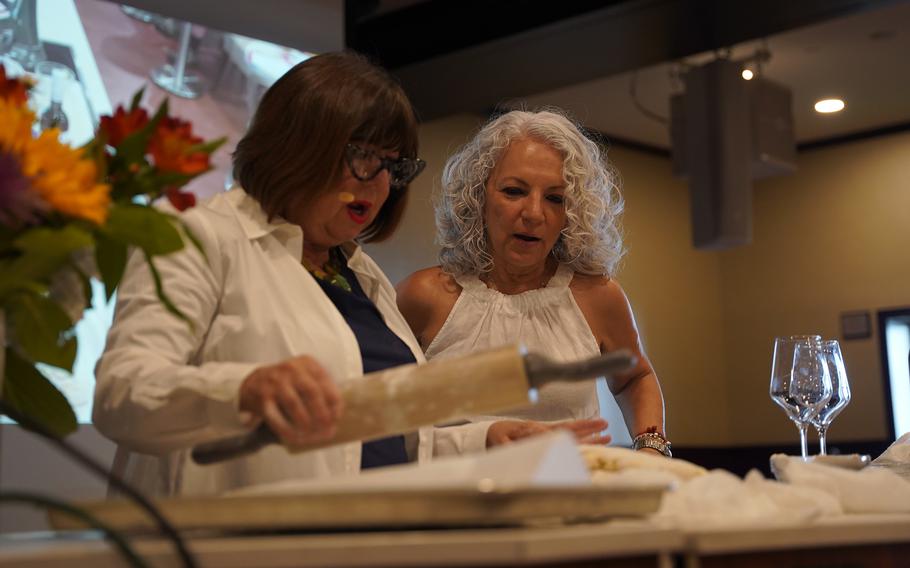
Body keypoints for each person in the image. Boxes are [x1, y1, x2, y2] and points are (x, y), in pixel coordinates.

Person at [95, 52, 445, 497]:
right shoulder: (198, 234)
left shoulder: (361, 273)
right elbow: (123, 393)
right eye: (362, 155)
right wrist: (243, 389)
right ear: (296, 144)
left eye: (393, 166)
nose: (377, 183)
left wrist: (486, 439)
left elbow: (379, 438)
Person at [396, 110, 669, 456]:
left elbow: (634, 377)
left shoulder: (597, 296)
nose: (534, 213)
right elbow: (382, 418)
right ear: (478, 198)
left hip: (569, 497)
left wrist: (651, 448)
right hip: (453, 502)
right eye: (514, 191)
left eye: (555, 198)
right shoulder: (423, 297)